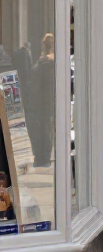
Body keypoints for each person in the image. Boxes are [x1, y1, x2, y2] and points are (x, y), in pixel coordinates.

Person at [27, 35, 55, 168]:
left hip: (41, 102)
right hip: (50, 102)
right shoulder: (54, 64)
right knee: (47, 129)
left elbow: (34, 87)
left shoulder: (39, 65)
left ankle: (40, 158)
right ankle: (45, 157)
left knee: (40, 129)